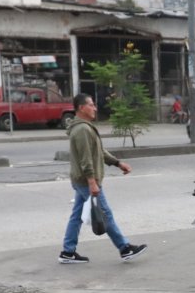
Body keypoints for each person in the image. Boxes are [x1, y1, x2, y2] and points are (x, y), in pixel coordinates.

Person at [59, 94, 147, 263]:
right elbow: (86, 159)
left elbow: (98, 151)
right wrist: (92, 181)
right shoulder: (82, 129)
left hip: (80, 180)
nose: (95, 108)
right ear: (81, 108)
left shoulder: (84, 127)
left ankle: (67, 252)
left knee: (77, 215)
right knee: (105, 213)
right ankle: (124, 248)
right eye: (91, 105)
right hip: (86, 181)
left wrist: (117, 163)